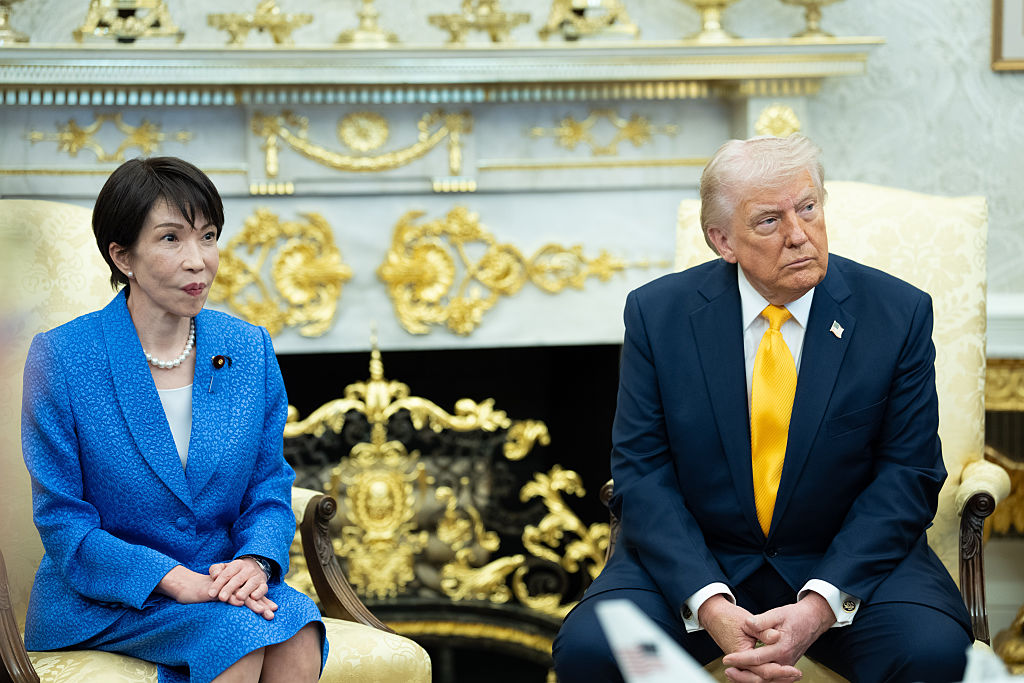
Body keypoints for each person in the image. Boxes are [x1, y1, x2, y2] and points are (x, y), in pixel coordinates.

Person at [552, 135, 973, 683]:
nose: (800, 236)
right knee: (591, 650)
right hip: (700, 559)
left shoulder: (897, 314)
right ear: (722, 241)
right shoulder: (659, 315)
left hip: (845, 560)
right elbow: (643, 471)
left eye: (808, 208)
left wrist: (819, 604)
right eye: (769, 221)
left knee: (936, 654)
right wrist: (709, 604)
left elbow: (908, 475)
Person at [21, 157, 326, 683]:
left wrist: (253, 563)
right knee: (238, 634)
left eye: (208, 237)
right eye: (171, 239)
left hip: (221, 581)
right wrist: (170, 578)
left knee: (298, 628)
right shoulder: (62, 358)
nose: (198, 261)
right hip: (110, 598)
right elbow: (63, 522)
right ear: (123, 256)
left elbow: (268, 486)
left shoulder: (247, 348)